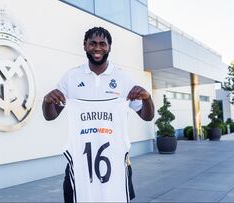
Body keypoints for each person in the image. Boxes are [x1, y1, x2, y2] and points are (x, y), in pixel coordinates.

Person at [42, 27, 154, 202]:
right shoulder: (71, 77)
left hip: (116, 161)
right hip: (80, 161)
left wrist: (147, 99)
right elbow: (51, 116)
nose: (97, 48)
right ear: (85, 46)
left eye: (103, 44)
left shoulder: (122, 78)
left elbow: (147, 116)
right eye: (92, 43)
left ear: (109, 47)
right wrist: (47, 101)